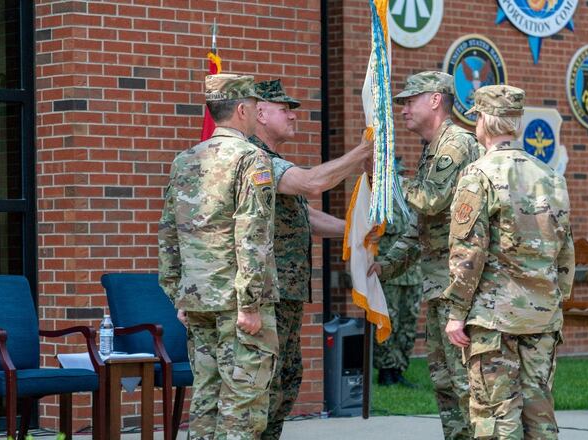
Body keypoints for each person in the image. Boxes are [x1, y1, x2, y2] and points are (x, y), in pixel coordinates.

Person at [443, 85, 575, 439]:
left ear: (484, 121)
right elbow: (565, 253)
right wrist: (554, 299)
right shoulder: (551, 177)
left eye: (477, 120)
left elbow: (468, 252)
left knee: (497, 420)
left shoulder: (478, 175)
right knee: (540, 418)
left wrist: (456, 312)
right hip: (542, 317)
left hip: (493, 321)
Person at [158, 73, 279, 440]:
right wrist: (251, 303)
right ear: (241, 110)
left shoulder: (185, 160)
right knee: (243, 407)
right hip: (236, 305)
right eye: (256, 109)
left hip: (198, 300)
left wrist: (178, 292)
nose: (258, 116)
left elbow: (168, 232)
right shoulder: (251, 159)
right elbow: (252, 233)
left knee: (207, 400)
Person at [250, 79, 372, 439]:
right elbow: (312, 184)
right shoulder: (253, 159)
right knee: (264, 383)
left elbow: (307, 214)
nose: (292, 116)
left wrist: (356, 232)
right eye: (283, 108)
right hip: (264, 294)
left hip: (285, 294)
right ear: (259, 113)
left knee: (286, 378)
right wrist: (361, 154)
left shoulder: (275, 162)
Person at [393, 71, 484, 439]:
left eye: (409, 101)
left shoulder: (455, 144)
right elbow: (421, 227)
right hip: (439, 285)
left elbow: (432, 200)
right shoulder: (432, 149)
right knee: (446, 385)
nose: (403, 110)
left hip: (460, 285)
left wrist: (388, 178)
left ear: (434, 100)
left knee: (467, 387)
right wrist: (386, 266)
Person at [370, 158, 422, 387]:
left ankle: (400, 368)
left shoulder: (411, 199)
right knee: (388, 320)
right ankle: (385, 370)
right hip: (388, 271)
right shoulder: (378, 201)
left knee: (409, 321)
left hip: (413, 272)